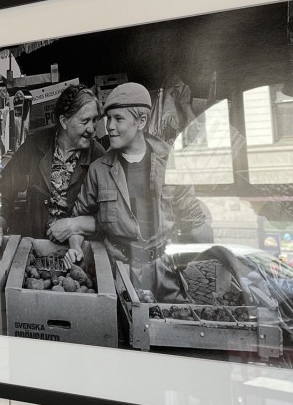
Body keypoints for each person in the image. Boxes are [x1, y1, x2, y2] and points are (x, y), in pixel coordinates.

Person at [49, 82, 211, 302]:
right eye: (108, 119)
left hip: (165, 272)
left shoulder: (171, 164)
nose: (109, 127)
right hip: (116, 273)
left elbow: (194, 221)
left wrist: (212, 261)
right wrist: (75, 247)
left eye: (118, 119)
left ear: (141, 121)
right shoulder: (99, 170)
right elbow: (78, 219)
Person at [0, 84, 105, 247]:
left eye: (94, 120)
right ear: (64, 121)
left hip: (75, 251)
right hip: (36, 245)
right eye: (85, 121)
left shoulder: (98, 156)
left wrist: (74, 225)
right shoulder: (36, 144)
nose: (92, 129)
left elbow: (110, 217)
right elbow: (3, 186)